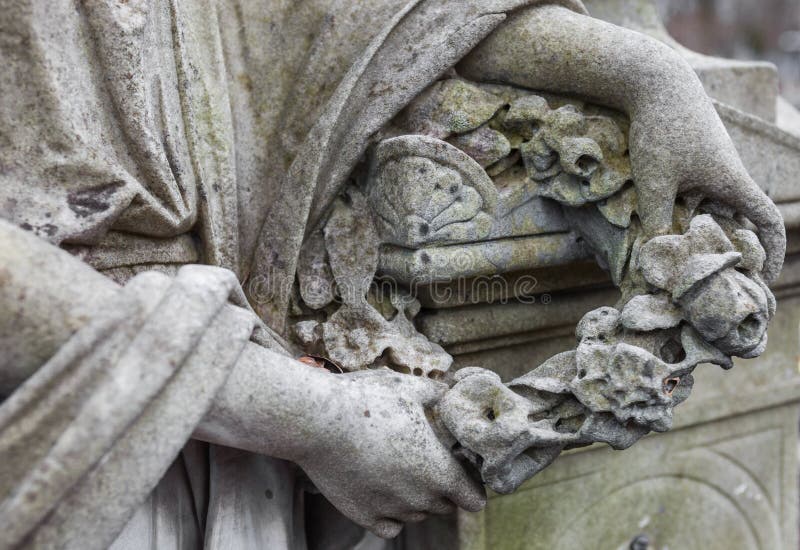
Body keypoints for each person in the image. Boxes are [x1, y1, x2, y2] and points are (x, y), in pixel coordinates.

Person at [0, 0, 784, 548]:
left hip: (225, 410)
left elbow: (300, 19)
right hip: (78, 430)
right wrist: (314, 418)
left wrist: (642, 72)